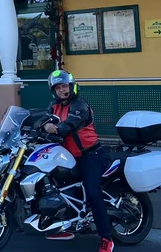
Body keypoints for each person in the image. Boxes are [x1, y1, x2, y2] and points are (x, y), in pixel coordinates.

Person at [42, 69, 113, 252]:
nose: (62, 90)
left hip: (91, 156)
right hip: (69, 156)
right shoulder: (54, 106)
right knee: (59, 187)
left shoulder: (80, 105)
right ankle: (64, 225)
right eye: (58, 88)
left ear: (72, 86)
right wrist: (43, 124)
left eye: (64, 86)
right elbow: (42, 120)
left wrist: (51, 127)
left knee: (92, 192)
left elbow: (67, 127)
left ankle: (106, 237)